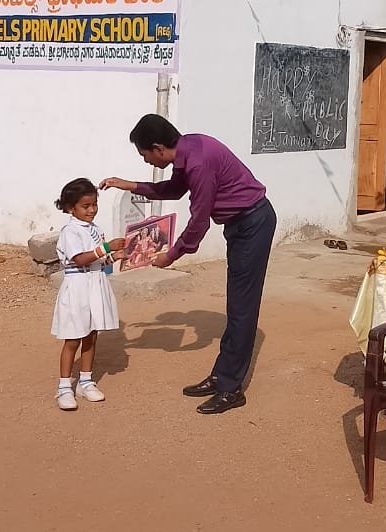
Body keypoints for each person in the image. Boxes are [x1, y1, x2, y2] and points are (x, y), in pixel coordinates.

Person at [100, 115, 276, 415]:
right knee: (236, 307)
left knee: (242, 308)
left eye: (144, 156)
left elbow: (199, 221)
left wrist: (172, 254)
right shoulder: (188, 149)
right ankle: (223, 376)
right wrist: (127, 185)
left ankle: (231, 388)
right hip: (241, 225)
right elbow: (172, 190)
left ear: (157, 148)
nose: (147, 162)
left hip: (252, 224)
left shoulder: (197, 163)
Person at [51, 179, 125, 411]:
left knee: (91, 335)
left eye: (94, 204)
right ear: (70, 207)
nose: (91, 210)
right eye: (86, 206)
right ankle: (64, 387)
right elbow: (80, 259)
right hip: (77, 288)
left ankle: (85, 381)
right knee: (73, 337)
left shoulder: (96, 230)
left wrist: (117, 256)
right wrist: (106, 248)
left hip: (95, 285)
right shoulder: (70, 231)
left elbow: (99, 261)